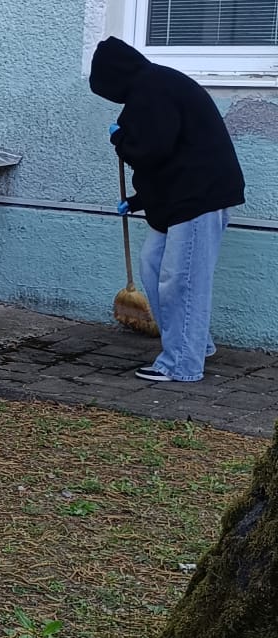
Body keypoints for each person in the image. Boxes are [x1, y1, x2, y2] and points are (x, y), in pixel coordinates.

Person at [88, 36, 244, 385]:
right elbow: (173, 156)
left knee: (181, 282)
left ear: (114, 77)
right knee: (153, 265)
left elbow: (151, 151)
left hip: (200, 198)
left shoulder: (154, 89)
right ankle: (196, 344)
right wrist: (138, 200)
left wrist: (119, 140)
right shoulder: (151, 88)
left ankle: (181, 364)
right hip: (183, 195)